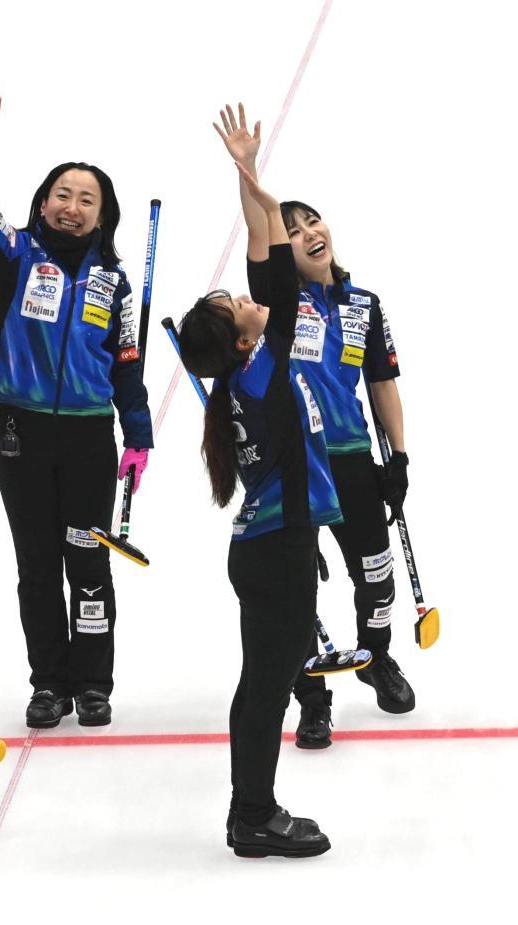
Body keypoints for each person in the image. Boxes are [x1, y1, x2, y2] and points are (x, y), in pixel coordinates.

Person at [213, 105, 414, 751]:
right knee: (297, 589)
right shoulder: (277, 303)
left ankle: (376, 654)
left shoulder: (364, 304)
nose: (306, 233)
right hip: (299, 463)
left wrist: (400, 456)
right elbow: (257, 230)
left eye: (311, 222)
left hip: (354, 456)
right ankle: (313, 697)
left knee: (375, 573)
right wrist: (247, 174)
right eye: (293, 229)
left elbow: (381, 380)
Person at [0, 93, 154, 729]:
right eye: (62, 195)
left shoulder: (114, 285)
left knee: (87, 561)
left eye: (86, 199)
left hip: (90, 440)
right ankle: (49, 684)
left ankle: (93, 683)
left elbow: (126, 365)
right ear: (43, 203)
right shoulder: (15, 255)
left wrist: (139, 433)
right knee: (37, 565)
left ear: (102, 216)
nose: (72, 207)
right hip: (21, 431)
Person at [177, 120, 337, 857]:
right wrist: (256, 191)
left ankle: (252, 810)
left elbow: (265, 261)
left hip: (271, 547)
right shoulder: (262, 371)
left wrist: (249, 176)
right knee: (266, 690)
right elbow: (272, 265)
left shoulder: (242, 379)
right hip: (275, 550)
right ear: (242, 339)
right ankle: (254, 816)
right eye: (237, 306)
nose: (250, 298)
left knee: (262, 684)